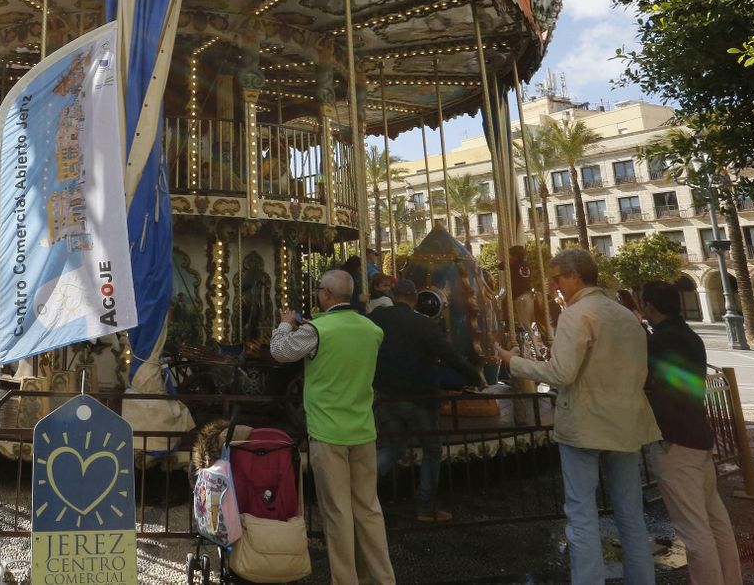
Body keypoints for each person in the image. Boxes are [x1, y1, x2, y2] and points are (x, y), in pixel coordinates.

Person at [497, 248, 660, 585]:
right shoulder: (627, 317)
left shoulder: (577, 314)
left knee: (581, 512)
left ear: (574, 276)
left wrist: (513, 362)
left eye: (557, 277)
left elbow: (562, 372)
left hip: (586, 423)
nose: (554, 284)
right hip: (626, 423)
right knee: (630, 513)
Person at [270, 269, 395, 585]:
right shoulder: (371, 329)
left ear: (326, 294)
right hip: (363, 430)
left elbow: (281, 351)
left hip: (328, 433)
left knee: (338, 513)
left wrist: (285, 323)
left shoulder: (318, 330)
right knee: (369, 510)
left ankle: (346, 580)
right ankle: (382, 578)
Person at [638, 280, 741, 585]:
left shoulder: (660, 341)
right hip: (698, 435)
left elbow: (649, 379)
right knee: (715, 520)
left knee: (693, 528)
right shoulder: (689, 336)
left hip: (675, 439)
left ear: (650, 306)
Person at [370, 277, 484, 522]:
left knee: (392, 447)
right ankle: (424, 506)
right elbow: (449, 354)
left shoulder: (378, 318)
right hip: (419, 396)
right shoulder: (423, 325)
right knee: (432, 449)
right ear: (413, 299)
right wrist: (475, 375)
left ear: (393, 294)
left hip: (386, 395)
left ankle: (361, 490)